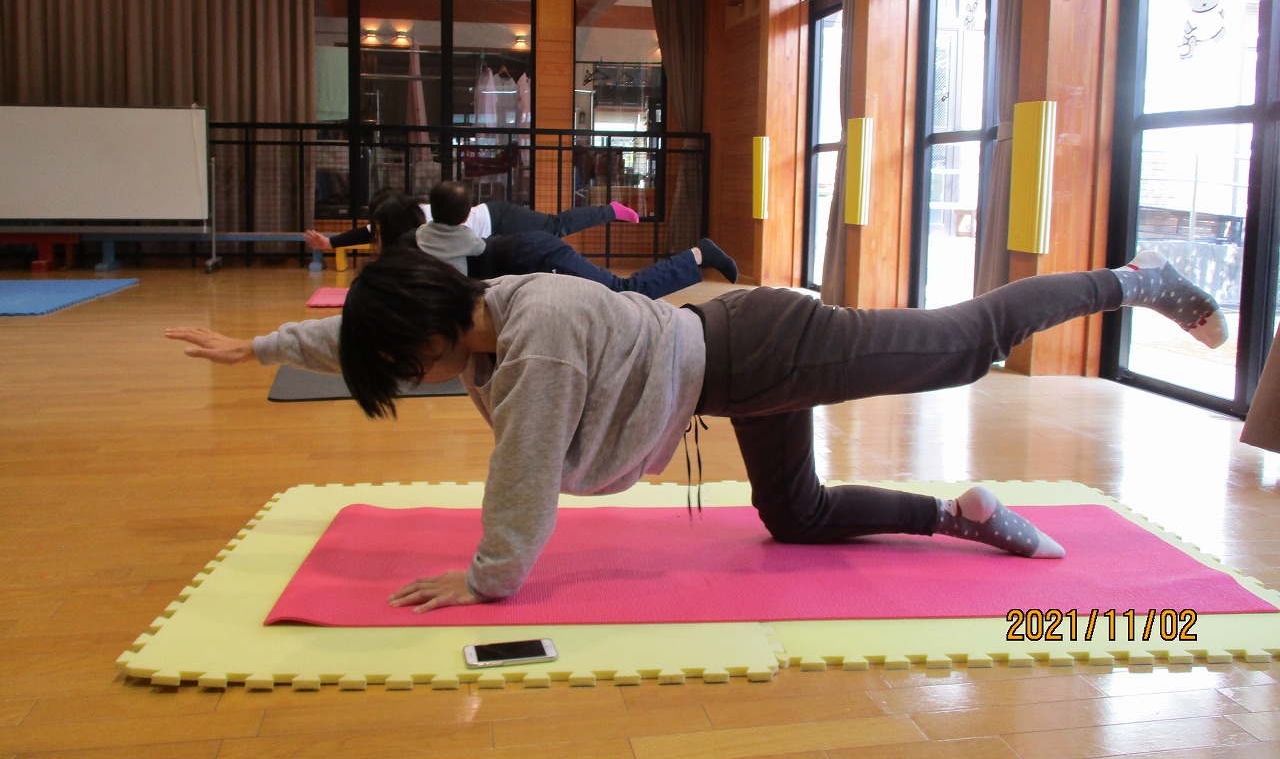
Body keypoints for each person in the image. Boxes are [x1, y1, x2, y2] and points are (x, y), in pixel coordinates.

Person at [166, 247, 1229, 613]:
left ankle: (1135, 279)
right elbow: (366, 332)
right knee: (797, 517)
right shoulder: (476, 307)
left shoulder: (533, 347)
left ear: (436, 332)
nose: (417, 380)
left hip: (767, 348)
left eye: (410, 368)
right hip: (730, 372)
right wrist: (256, 348)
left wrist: (488, 579)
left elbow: (523, 473)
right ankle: (961, 518)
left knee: (963, 343)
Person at [373, 190, 739, 296]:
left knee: (622, 290)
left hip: (536, 251)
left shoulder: (436, 243)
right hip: (526, 251)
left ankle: (699, 254)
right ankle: (697, 255)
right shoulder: (418, 239)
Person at [303, 184, 639, 253]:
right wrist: (331, 242)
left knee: (555, 227)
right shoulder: (404, 221)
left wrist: (331, 243)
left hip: (498, 218)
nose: (377, 231)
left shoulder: (424, 218)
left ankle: (610, 210)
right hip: (490, 231)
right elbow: (367, 231)